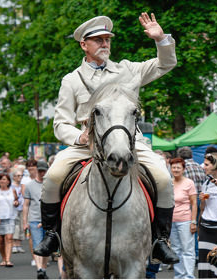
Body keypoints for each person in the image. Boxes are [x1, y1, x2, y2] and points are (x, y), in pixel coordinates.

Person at [35, 13, 179, 265]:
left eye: (107, 39)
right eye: (98, 40)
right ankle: (52, 234)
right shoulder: (71, 80)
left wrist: (161, 39)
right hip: (87, 144)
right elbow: (60, 123)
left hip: (128, 141)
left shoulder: (128, 70)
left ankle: (160, 240)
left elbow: (165, 64)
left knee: (164, 178)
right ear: (84, 44)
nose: (104, 44)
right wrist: (79, 136)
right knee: (53, 176)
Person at [169, 158, 197, 279]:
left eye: (178, 167)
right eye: (173, 167)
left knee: (187, 249)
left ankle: (189, 276)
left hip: (185, 220)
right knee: (175, 249)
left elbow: (194, 203)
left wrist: (193, 221)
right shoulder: (169, 182)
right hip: (172, 221)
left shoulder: (189, 183)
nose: (175, 170)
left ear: (183, 169)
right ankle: (179, 275)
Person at [23, 161, 50, 279]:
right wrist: (25, 221)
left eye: (44, 170)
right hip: (34, 218)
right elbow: (26, 204)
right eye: (40, 171)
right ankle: (39, 268)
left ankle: (43, 268)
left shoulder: (51, 184)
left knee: (46, 246)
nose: (42, 173)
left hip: (48, 220)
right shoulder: (29, 185)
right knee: (37, 244)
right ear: (36, 170)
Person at [0, 173, 18, 267]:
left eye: (5, 179)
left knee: (9, 238)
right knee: (1, 240)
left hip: (10, 216)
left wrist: (16, 202)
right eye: (1, 179)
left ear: (8, 181)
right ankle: (3, 258)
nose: (3, 181)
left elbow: (16, 200)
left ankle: (8, 260)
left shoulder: (12, 190)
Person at [11, 167, 26, 254]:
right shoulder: (11, 186)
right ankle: (14, 245)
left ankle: (19, 245)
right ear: (14, 177)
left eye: (21, 175)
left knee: (21, 226)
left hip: (22, 208)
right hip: (14, 209)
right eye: (18, 176)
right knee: (15, 226)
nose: (20, 177)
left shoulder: (23, 186)